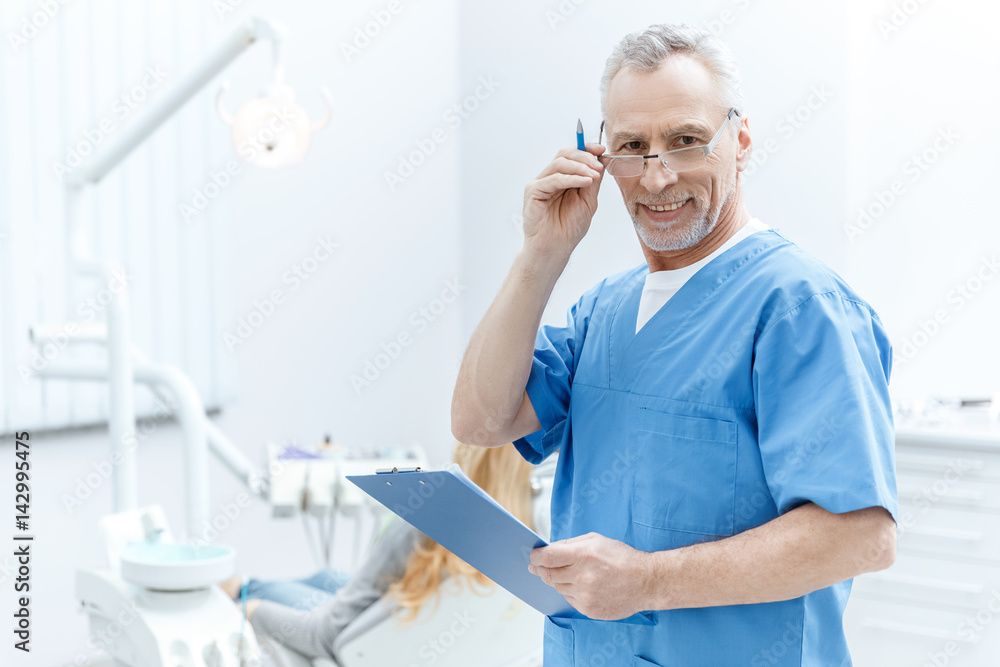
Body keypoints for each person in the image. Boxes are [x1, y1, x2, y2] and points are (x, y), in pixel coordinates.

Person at [451, 22, 898, 667]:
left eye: (686, 141)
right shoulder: (604, 310)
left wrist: (648, 580)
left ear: (740, 142)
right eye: (632, 147)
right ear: (601, 158)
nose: (657, 177)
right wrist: (540, 253)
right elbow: (480, 420)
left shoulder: (799, 307)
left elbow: (860, 537)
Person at [227, 442, 535, 661]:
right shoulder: (527, 539)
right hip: (407, 631)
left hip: (354, 636)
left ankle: (239, 588)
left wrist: (251, 608)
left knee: (244, 587)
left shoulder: (426, 521)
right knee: (326, 576)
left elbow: (325, 635)